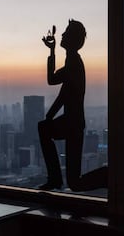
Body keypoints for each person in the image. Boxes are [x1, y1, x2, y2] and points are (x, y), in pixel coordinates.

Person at [38, 19, 107, 191]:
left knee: (75, 183)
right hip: (72, 122)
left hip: (73, 123)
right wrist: (50, 116)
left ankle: (110, 175)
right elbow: (62, 91)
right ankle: (55, 179)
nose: (61, 35)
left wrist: (50, 115)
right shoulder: (72, 61)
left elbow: (53, 82)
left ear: (72, 39)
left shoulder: (74, 63)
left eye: (66, 33)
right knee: (74, 182)